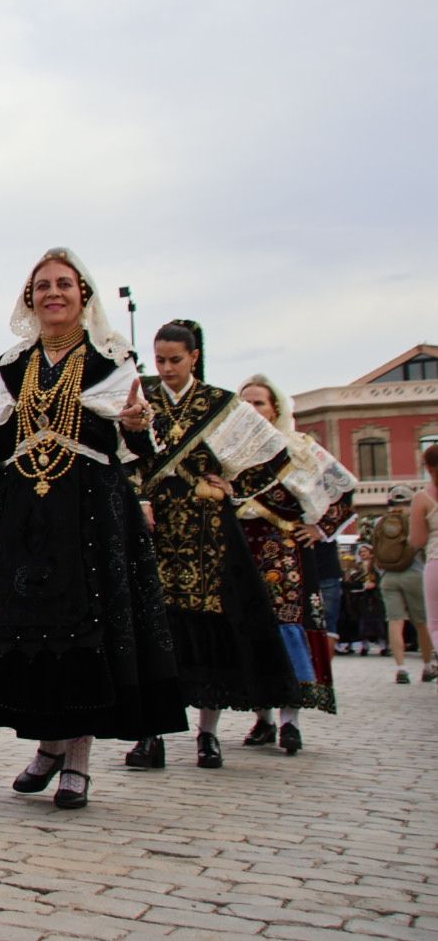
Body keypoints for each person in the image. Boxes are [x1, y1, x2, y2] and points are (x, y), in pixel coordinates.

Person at [0, 248, 185, 810]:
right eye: (41, 286)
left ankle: (79, 761)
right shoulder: (14, 365)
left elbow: (135, 442)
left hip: (88, 510)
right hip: (29, 513)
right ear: (30, 299)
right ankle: (47, 746)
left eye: (64, 284)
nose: (53, 293)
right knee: (34, 631)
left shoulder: (112, 361)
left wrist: (139, 424)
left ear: (83, 295)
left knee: (83, 631)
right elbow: (2, 440)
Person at [128, 321, 301, 770]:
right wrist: (138, 497)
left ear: (194, 358)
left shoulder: (220, 404)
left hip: (209, 528)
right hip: (157, 526)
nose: (165, 368)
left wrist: (236, 484)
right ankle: (152, 733)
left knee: (213, 628)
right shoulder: (142, 398)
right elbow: (127, 457)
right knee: (156, 629)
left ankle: (207, 734)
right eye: (160, 359)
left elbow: (276, 454)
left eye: (174, 360)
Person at [233, 374, 356, 753]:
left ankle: (291, 720)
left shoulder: (300, 449)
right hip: (241, 548)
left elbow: (344, 490)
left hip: (286, 553)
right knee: (250, 631)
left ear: (275, 409)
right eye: (246, 403)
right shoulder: (230, 452)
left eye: (259, 403)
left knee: (287, 628)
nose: (252, 410)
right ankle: (263, 718)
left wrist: (320, 529)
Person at [370, 486, 434, 684]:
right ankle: (427, 666)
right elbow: (422, 543)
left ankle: (401, 668)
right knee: (422, 622)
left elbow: (374, 549)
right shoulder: (414, 518)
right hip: (414, 574)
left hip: (388, 577)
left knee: (395, 621)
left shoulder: (379, 522)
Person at [414, 446, 438, 663]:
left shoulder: (423, 498)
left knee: (436, 624)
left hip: (435, 561)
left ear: (429, 468)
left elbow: (417, 540)